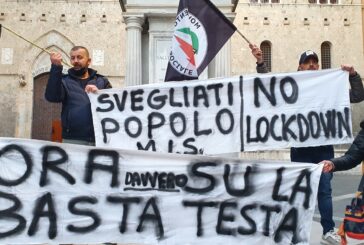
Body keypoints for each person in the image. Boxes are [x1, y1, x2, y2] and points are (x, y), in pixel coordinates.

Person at [250, 44, 364, 245]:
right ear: (299, 67)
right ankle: (295, 231)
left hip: (323, 147)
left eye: (314, 62)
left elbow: (357, 96)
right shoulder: (291, 86)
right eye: (307, 63)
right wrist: (260, 62)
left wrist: (354, 75)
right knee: (298, 191)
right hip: (300, 148)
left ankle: (327, 231)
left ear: (318, 66)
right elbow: (270, 86)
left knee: (324, 190)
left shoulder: (329, 87)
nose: (311, 66)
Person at [45, 46, 112, 145]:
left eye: (79, 57)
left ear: (88, 61)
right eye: (72, 58)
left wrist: (99, 94)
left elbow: (113, 105)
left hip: (100, 138)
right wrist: (56, 68)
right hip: (73, 139)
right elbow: (52, 97)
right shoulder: (64, 81)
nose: (75, 61)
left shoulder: (102, 81)